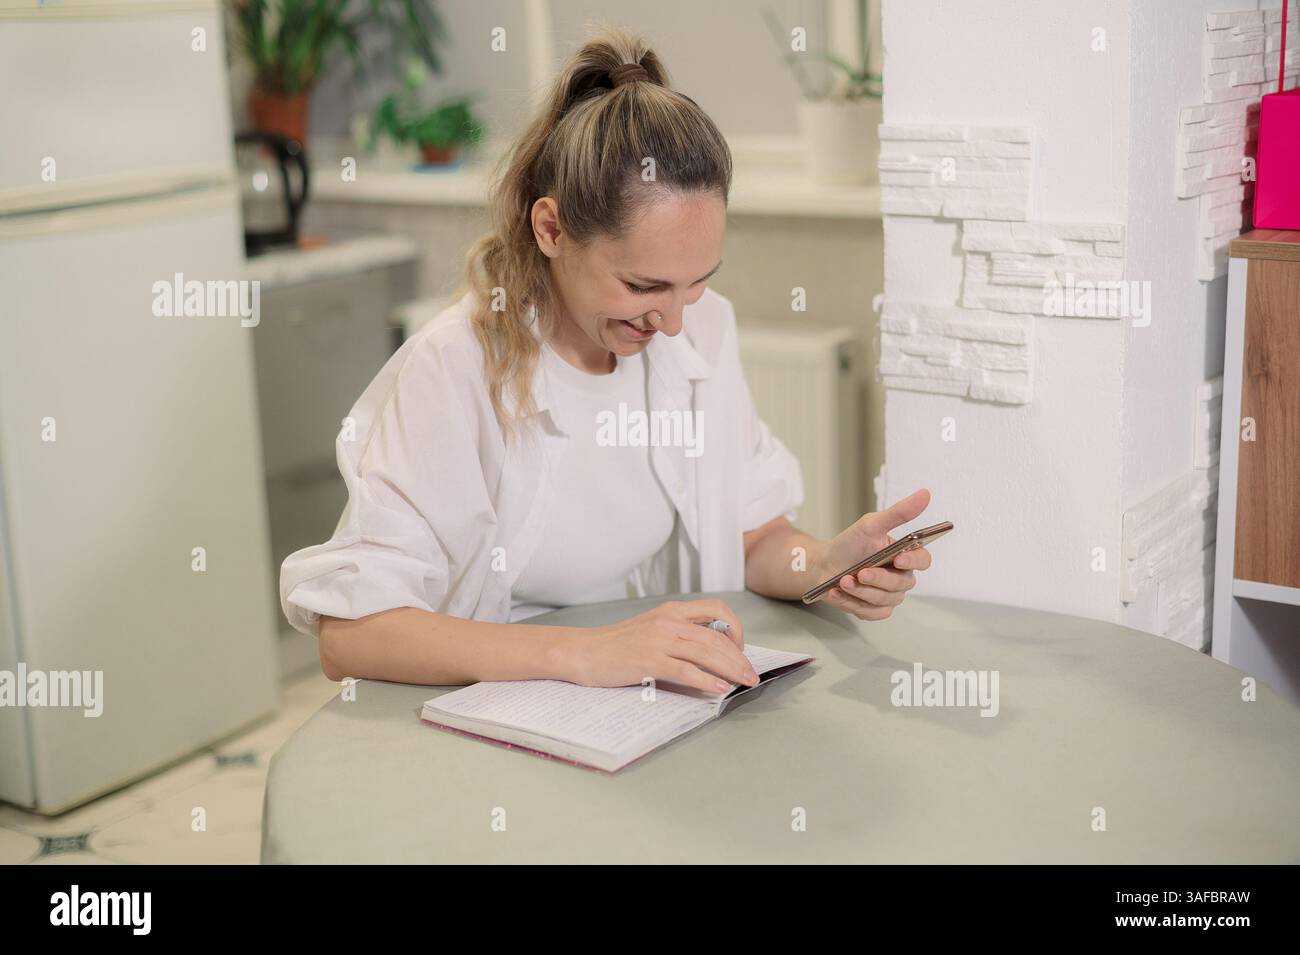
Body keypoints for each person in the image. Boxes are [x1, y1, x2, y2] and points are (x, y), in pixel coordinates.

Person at [280, 27, 934, 695]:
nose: (674, 319)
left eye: (698, 280)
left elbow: (752, 532)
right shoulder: (452, 369)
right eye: (644, 287)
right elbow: (351, 633)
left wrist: (825, 562)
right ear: (551, 229)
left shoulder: (703, 330)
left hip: (635, 708)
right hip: (496, 718)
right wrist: (584, 654)